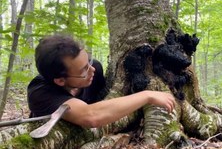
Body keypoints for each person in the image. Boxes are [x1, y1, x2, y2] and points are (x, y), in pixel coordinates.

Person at [28, 34, 175, 128]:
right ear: (60, 81)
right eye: (83, 70)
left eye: (88, 61)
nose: (91, 70)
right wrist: (147, 95)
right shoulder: (40, 92)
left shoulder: (94, 69)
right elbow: (91, 116)